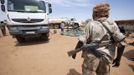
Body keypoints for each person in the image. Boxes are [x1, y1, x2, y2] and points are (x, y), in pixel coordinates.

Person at [70, 3, 126, 75]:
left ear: (95, 13)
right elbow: (122, 43)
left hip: (91, 57)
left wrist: (75, 52)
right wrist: (118, 59)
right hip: (106, 57)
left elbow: (81, 41)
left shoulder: (91, 24)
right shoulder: (112, 24)